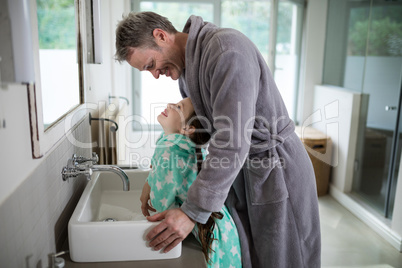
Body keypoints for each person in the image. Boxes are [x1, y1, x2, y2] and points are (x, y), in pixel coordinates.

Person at [115, 11, 321, 268]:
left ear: (161, 36)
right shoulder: (190, 68)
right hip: (243, 173)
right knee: (254, 258)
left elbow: (232, 140)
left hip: (276, 171)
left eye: (150, 65)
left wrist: (192, 211)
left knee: (286, 260)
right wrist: (156, 176)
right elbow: (198, 129)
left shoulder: (226, 51)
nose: (155, 75)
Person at [142, 97, 242, 267]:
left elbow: (162, 206)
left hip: (210, 235)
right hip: (223, 230)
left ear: (188, 128)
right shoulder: (185, 147)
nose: (169, 105)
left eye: (178, 108)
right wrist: (148, 183)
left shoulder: (170, 151)